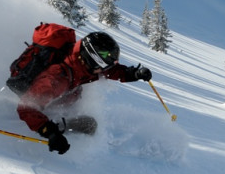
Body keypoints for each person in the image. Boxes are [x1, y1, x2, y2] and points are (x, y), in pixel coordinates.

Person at [17, 31, 152, 154]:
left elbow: (110, 70)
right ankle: (57, 124)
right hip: (43, 105)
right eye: (103, 65)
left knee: (76, 94)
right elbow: (26, 107)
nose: (105, 70)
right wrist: (49, 131)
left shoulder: (81, 62)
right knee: (88, 123)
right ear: (92, 60)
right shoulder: (56, 78)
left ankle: (61, 119)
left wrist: (134, 73)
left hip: (61, 95)